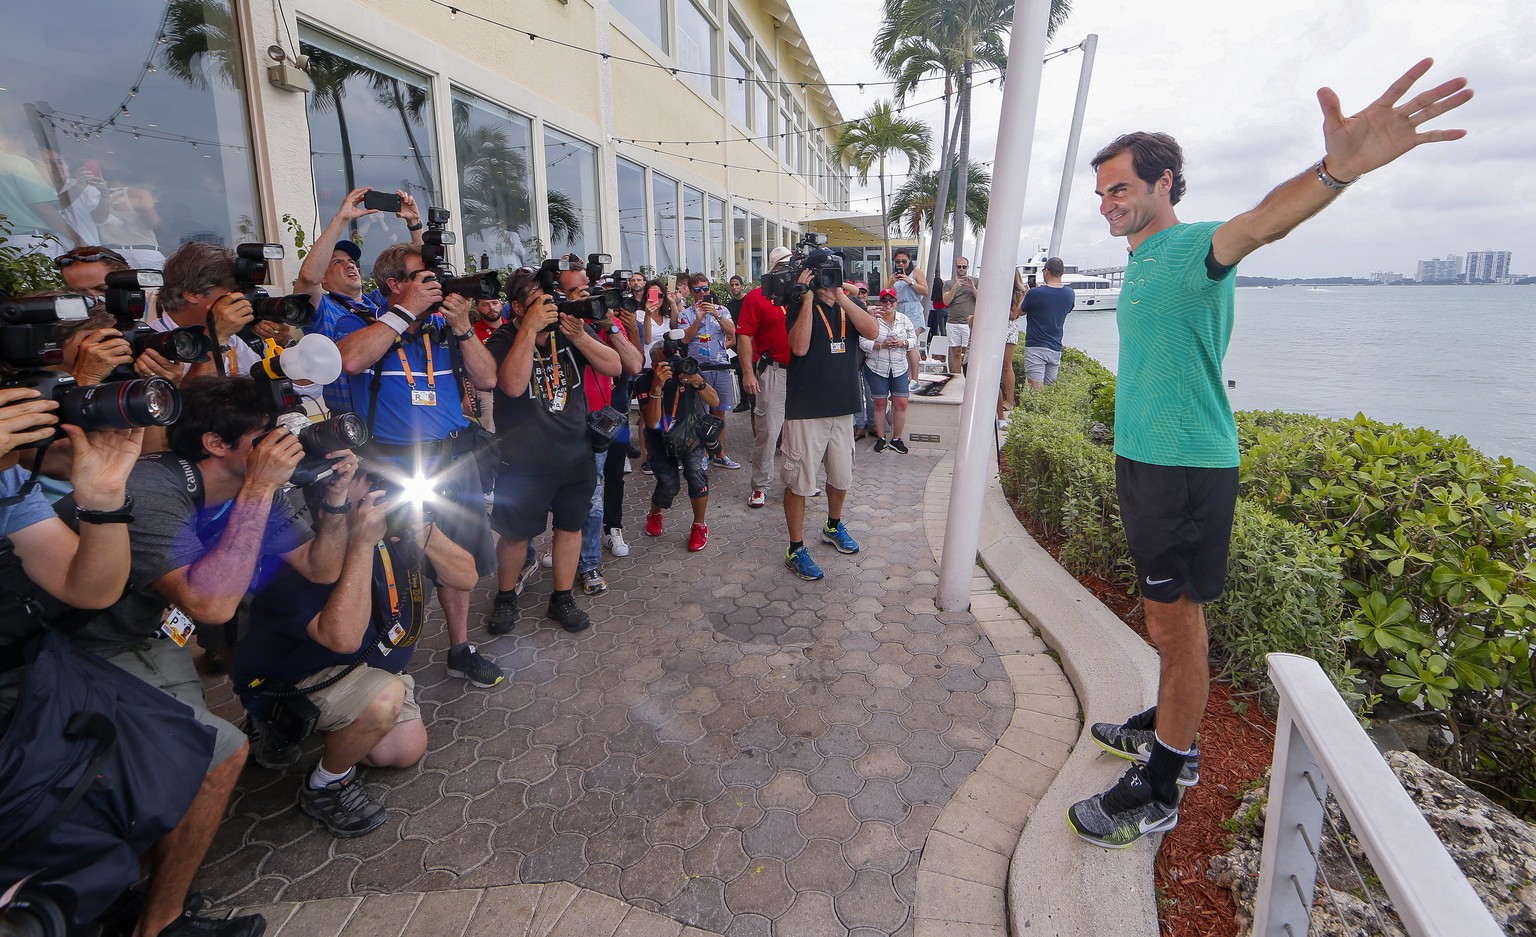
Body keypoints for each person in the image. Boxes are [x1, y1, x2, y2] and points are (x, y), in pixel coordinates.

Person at [1068, 60, 1472, 850]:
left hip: (1185, 469)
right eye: (1103, 193)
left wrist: (1335, 170)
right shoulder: (1143, 257)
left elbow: (1264, 219)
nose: (1108, 204)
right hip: (1147, 459)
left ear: (1164, 182)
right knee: (1164, 618)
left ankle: (1167, 775)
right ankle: (1168, 717)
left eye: (1120, 188)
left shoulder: (1195, 247)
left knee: (1177, 625)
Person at [55, 375, 359, 935]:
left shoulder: (248, 487)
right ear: (217, 445)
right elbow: (212, 605)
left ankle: (119, 888)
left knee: (174, 766)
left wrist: (336, 501)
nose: (279, 446)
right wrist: (260, 490)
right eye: (264, 435)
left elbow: (320, 567)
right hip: (77, 648)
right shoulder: (152, 490)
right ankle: (158, 922)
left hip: (147, 636)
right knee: (216, 755)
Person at [234, 469, 476, 838]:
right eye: (369, 492)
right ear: (326, 509)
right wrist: (361, 545)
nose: (383, 498)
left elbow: (466, 578)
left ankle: (334, 725)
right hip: (297, 677)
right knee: (384, 701)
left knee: (402, 750)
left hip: (364, 669)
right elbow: (343, 638)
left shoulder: (395, 531)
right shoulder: (304, 558)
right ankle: (324, 784)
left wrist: (421, 530)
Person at [320, 242, 504, 689]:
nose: (435, 286)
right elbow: (349, 360)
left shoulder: (444, 326)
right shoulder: (360, 321)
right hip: (391, 463)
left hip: (452, 460)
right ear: (395, 285)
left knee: (457, 561)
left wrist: (462, 328)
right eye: (423, 278)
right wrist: (403, 314)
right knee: (393, 565)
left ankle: (460, 647)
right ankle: (387, 661)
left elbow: (487, 379)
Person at [484, 269, 621, 635]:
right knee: (515, 535)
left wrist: (583, 338)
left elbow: (614, 366)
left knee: (569, 528)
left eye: (550, 298)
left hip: (574, 454)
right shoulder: (504, 338)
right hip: (523, 461)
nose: (547, 307)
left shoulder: (568, 328)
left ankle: (561, 597)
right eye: (536, 301)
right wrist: (528, 330)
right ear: (516, 306)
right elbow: (512, 386)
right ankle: (506, 596)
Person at [780, 262, 881, 582]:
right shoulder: (798, 306)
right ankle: (795, 548)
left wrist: (843, 297)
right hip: (806, 411)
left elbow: (873, 331)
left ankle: (833, 525)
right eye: (822, 278)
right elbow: (798, 346)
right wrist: (808, 298)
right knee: (800, 483)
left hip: (843, 409)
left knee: (841, 477)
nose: (827, 282)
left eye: (832, 277)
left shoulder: (848, 307)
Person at [293, 185, 424, 415]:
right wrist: (341, 218)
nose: (350, 264)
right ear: (323, 278)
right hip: (349, 423)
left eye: (351, 261)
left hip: (387, 417)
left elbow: (422, 277)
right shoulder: (322, 309)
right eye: (338, 262)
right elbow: (307, 278)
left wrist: (414, 223)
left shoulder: (376, 304)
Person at [572, 263, 644, 597]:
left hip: (603, 420)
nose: (584, 299)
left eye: (586, 290)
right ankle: (565, 545)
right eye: (575, 293)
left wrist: (612, 326)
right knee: (561, 496)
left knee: (596, 496)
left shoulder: (603, 323)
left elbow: (633, 364)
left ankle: (588, 561)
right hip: (558, 422)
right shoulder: (554, 323)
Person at [636, 345, 714, 552]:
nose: (675, 365)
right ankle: (655, 512)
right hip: (659, 438)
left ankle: (699, 525)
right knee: (669, 485)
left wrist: (699, 381)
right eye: (668, 362)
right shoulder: (644, 382)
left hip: (689, 433)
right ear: (654, 365)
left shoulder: (686, 374)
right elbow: (651, 422)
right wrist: (657, 387)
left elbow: (715, 401)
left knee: (696, 474)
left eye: (676, 359)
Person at [737, 247, 792, 508]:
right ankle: (760, 485)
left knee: (800, 432)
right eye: (782, 265)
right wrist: (748, 371)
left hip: (803, 374)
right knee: (768, 431)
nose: (787, 269)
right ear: (772, 267)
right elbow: (744, 335)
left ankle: (797, 481)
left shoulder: (802, 295)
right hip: (773, 370)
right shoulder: (757, 297)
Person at [677, 272, 740, 470]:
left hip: (720, 367)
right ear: (692, 292)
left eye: (705, 288)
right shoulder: (685, 314)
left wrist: (715, 314)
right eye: (698, 290)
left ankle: (720, 453)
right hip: (698, 370)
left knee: (719, 412)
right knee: (700, 413)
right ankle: (703, 453)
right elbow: (685, 340)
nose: (703, 293)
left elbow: (732, 331)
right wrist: (698, 318)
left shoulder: (721, 310)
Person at [860, 289, 916, 453]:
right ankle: (881, 438)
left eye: (891, 301)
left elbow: (913, 340)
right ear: (880, 302)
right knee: (880, 403)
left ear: (896, 302)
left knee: (901, 402)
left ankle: (896, 438)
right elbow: (862, 342)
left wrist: (903, 342)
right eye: (885, 301)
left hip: (899, 368)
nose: (888, 304)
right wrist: (880, 345)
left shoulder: (904, 319)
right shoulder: (872, 319)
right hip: (877, 367)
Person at [1021, 257, 1075, 391]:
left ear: (1046, 272)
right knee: (1048, 394)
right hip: (1055, 348)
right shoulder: (1070, 293)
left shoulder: (1034, 293)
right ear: (1062, 272)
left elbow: (1020, 312)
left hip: (1036, 348)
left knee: (1037, 393)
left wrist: (1026, 294)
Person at [941, 257, 978, 376]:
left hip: (969, 323)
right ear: (955, 267)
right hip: (953, 322)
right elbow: (946, 302)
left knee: (968, 354)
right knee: (956, 353)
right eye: (959, 267)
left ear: (968, 267)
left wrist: (972, 287)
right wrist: (955, 287)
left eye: (964, 267)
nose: (961, 269)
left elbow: (982, 300)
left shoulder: (976, 281)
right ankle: (956, 379)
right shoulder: (948, 283)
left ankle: (968, 379)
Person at [999, 271, 1027, 423]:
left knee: (1006, 365)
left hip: (1009, 329)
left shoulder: (1018, 292)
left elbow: (1014, 314)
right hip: (997, 327)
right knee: (999, 365)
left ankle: (1011, 400)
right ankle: (1003, 398)